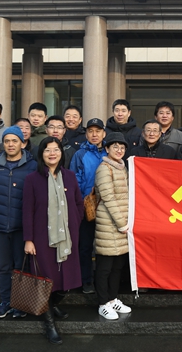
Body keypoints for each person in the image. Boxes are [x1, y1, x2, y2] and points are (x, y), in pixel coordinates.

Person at [23, 137, 84, 345]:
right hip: (42, 237)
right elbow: (27, 211)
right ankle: (50, 325)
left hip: (67, 236)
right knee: (45, 281)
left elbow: (78, 203)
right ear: (41, 154)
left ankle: (53, 304)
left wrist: (74, 221)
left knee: (66, 282)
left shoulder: (70, 176)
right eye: (47, 150)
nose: (52, 153)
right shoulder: (32, 179)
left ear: (61, 153)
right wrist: (29, 239)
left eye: (56, 149)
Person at [0, 126, 37, 319]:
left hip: (22, 227)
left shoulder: (32, 166)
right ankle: (5, 301)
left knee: (21, 266)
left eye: (14, 141)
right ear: (2, 144)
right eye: (7, 141)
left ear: (22, 143)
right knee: (3, 267)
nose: (10, 144)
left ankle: (20, 303)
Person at [93, 132, 132, 320]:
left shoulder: (121, 167)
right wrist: (122, 223)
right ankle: (103, 303)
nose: (119, 150)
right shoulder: (104, 168)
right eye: (115, 146)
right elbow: (108, 198)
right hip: (109, 224)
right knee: (105, 266)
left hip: (122, 223)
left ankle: (112, 298)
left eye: (122, 147)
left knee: (117, 266)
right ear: (107, 148)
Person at [70, 118, 107, 294]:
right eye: (90, 131)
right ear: (86, 134)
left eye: (98, 131)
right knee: (84, 246)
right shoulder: (80, 154)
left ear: (104, 133)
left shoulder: (110, 151)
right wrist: (81, 202)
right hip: (86, 207)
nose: (94, 134)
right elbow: (74, 180)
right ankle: (86, 280)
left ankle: (102, 282)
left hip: (107, 208)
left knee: (104, 247)